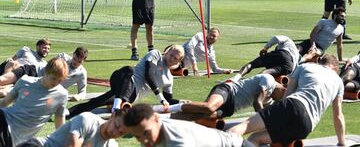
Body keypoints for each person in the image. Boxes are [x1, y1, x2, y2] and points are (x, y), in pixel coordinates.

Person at [228, 55, 345, 147]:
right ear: (334, 67)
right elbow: (338, 115)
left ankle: (221, 142)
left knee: (245, 127)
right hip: (307, 125)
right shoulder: (339, 82)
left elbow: (288, 94)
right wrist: (342, 142)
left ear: (320, 62)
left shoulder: (306, 66)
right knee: (256, 139)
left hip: (293, 104)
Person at [67, 44, 185, 119]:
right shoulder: (156, 54)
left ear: (178, 61)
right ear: (167, 51)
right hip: (122, 78)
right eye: (171, 54)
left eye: (175, 58)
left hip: (130, 95)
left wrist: (182, 102)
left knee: (98, 101)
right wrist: (161, 99)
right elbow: (148, 75)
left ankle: (68, 112)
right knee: (129, 70)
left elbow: (169, 100)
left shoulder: (169, 79)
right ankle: (116, 109)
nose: (171, 58)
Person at [0, 57, 68, 147]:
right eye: (54, 78)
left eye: (60, 80)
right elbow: (5, 102)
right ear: (46, 72)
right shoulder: (25, 81)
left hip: (15, 136)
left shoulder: (62, 95)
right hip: (4, 120)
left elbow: (59, 121)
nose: (56, 83)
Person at [123, 103, 255, 147]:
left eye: (146, 133)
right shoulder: (148, 130)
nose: (144, 141)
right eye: (138, 137)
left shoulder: (178, 139)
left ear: (157, 119)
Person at [170, 74, 286, 121]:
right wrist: (267, 122)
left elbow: (269, 111)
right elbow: (257, 103)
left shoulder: (271, 99)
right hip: (228, 91)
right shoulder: (269, 80)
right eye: (282, 98)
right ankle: (165, 108)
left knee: (198, 116)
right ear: (283, 89)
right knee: (208, 107)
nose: (279, 101)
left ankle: (164, 119)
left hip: (231, 108)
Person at [18, 110, 125, 147]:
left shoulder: (112, 145)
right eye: (116, 126)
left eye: (121, 133)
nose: (114, 133)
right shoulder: (87, 120)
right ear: (113, 115)